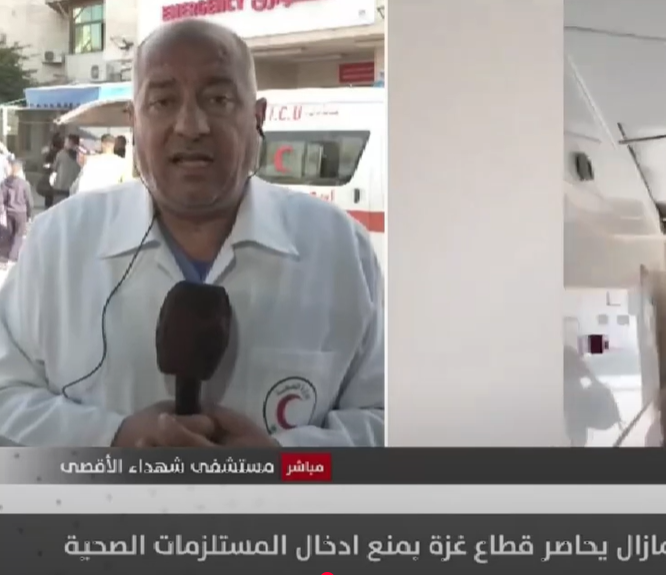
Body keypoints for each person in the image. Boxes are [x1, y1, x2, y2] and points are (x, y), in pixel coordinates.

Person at [0, 18, 384, 448]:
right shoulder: (58, 242)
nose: (190, 125)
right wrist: (112, 438)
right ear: (134, 122)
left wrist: (286, 463)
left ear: (257, 117)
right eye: (162, 101)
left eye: (218, 99)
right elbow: (6, 395)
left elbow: (386, 418)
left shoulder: (340, 247)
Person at [0, 159, 34, 268]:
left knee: (10, 233)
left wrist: (3, 209)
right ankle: (12, 258)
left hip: (9, 212)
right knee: (19, 235)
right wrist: (29, 214)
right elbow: (29, 201)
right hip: (21, 212)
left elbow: (1, 199)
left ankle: (4, 256)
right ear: (20, 170)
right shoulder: (24, 184)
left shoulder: (5, 183)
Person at [48, 134, 82, 206]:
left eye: (66, 142)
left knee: (58, 208)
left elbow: (55, 168)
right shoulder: (81, 155)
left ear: (71, 143)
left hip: (60, 188)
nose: (64, 143)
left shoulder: (61, 154)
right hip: (75, 188)